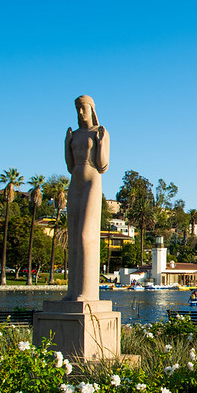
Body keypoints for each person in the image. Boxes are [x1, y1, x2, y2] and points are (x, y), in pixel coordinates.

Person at [63, 95, 109, 302]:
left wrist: (99, 143)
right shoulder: (73, 135)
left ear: (92, 110)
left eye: (84, 108)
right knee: (73, 238)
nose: (80, 113)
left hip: (92, 181)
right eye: (78, 109)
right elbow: (70, 166)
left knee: (85, 235)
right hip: (75, 183)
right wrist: (66, 144)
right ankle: (72, 292)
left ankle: (87, 292)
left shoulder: (100, 132)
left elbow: (102, 165)